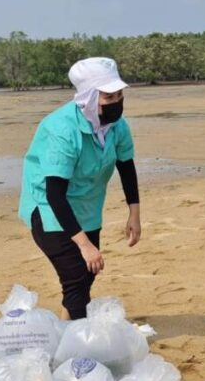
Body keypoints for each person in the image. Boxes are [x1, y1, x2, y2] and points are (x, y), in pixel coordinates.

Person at [18, 57, 141, 320]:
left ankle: (66, 332)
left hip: (87, 205)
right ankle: (76, 350)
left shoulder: (118, 126)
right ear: (89, 98)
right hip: (48, 209)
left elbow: (126, 166)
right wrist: (84, 245)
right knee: (75, 276)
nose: (117, 102)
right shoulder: (62, 129)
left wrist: (134, 214)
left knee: (86, 277)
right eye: (109, 97)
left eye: (119, 95)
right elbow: (54, 193)